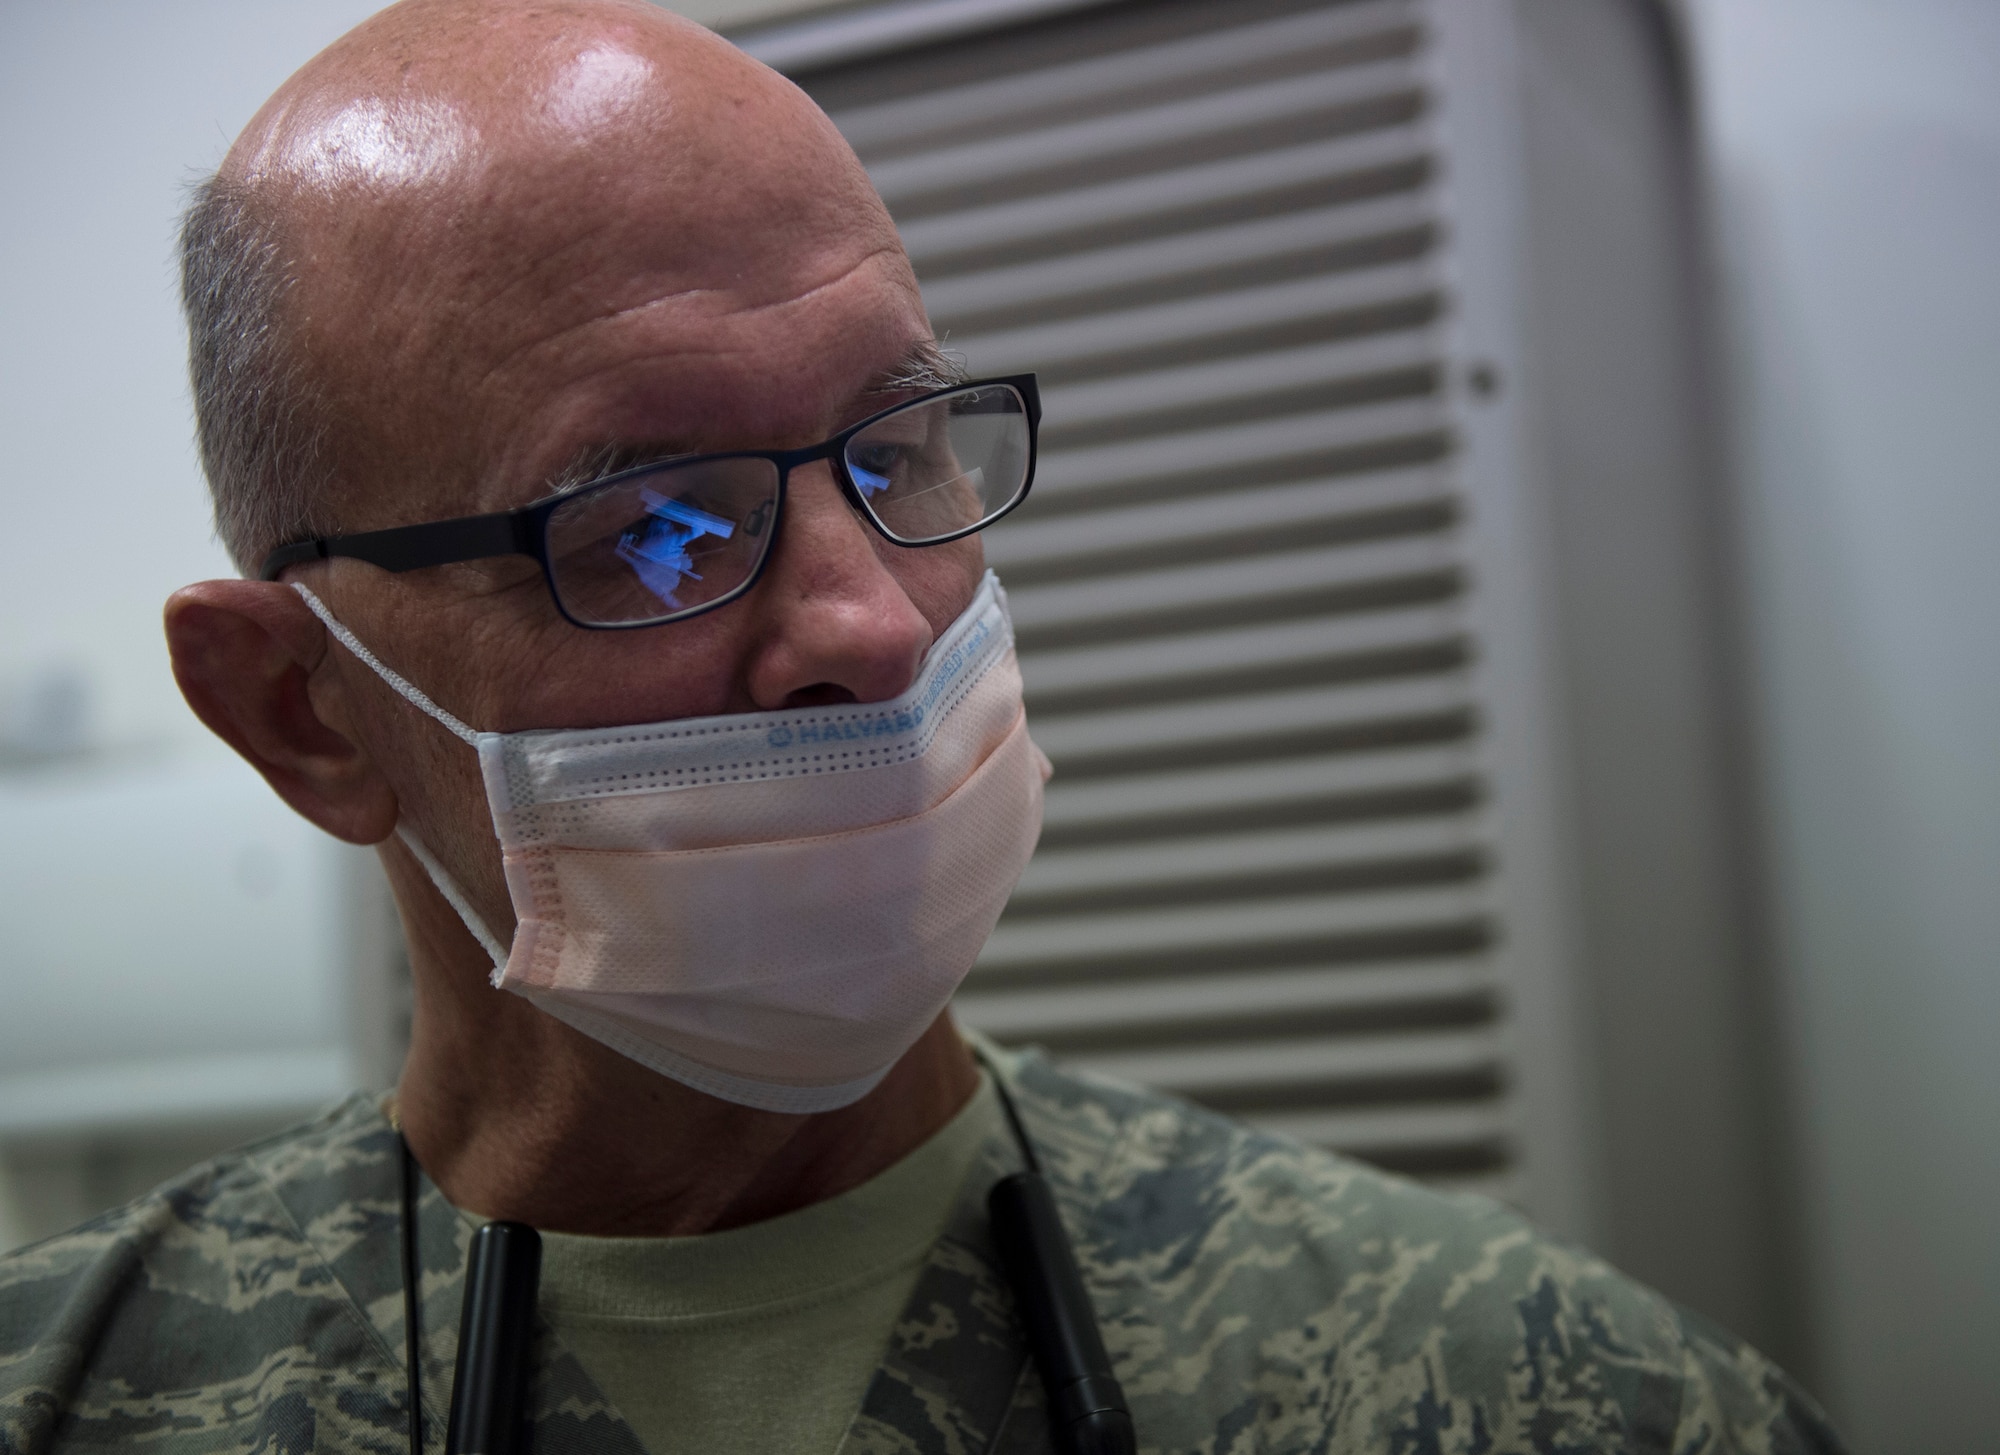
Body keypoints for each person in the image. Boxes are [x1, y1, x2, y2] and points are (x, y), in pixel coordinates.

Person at [0, 2, 1843, 1451]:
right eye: (657, 525)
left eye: (894, 450)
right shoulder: (80, 1400)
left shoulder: (1531, 1390)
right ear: (303, 711)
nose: (875, 621)